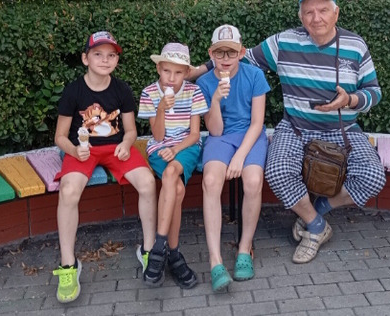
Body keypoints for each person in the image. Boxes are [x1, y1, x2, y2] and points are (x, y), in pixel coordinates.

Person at [191, 0, 386, 264]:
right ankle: (316, 226)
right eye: (309, 12)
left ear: (336, 13)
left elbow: (374, 92)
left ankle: (317, 210)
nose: (316, 18)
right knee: (277, 171)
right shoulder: (283, 43)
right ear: (300, 16)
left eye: (323, 10)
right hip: (296, 127)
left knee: (373, 177)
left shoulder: (355, 46)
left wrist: (351, 100)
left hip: (342, 129)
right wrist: (196, 71)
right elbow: (236, 57)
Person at [53, 31, 156, 303]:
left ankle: (149, 250)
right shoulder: (73, 91)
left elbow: (131, 131)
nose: (105, 60)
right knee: (68, 191)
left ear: (117, 61)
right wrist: (74, 150)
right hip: (82, 150)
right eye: (98, 54)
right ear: (85, 58)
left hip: (115, 148)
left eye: (111, 55)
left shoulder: (121, 90)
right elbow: (60, 137)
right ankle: (68, 264)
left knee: (148, 182)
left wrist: (127, 143)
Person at [195, 24, 270, 292]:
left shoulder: (254, 75)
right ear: (211, 53)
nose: (225, 58)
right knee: (211, 181)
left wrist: (239, 157)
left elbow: (257, 123)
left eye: (231, 52)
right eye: (220, 52)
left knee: (252, 181)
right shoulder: (204, 83)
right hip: (221, 137)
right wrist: (215, 100)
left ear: (241, 52)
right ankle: (215, 260)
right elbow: (215, 131)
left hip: (250, 136)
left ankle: (244, 249)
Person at [138, 43, 208, 288]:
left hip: (186, 147)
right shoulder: (149, 93)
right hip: (159, 148)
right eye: (167, 71)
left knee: (171, 173)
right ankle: (174, 253)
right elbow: (158, 137)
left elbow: (194, 134)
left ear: (187, 73)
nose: (171, 78)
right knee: (176, 189)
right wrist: (160, 109)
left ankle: (158, 248)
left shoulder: (193, 92)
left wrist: (176, 150)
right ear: (159, 68)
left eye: (178, 73)